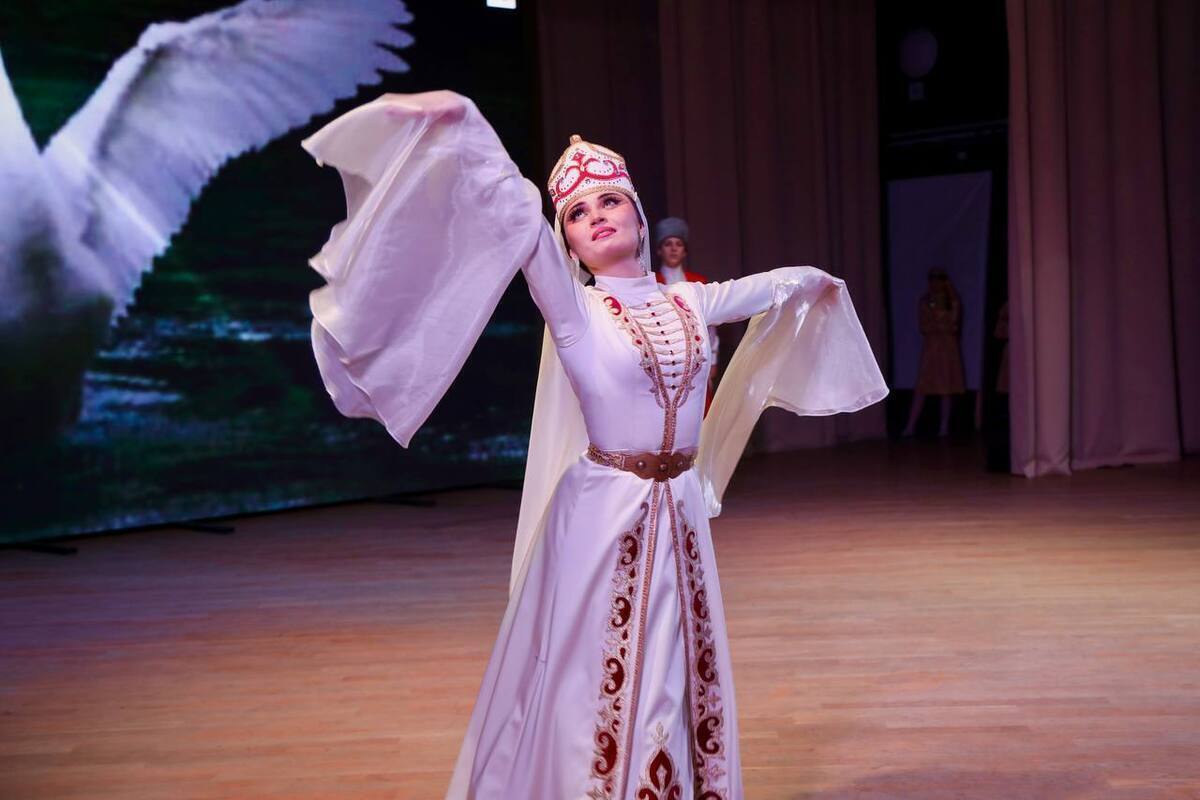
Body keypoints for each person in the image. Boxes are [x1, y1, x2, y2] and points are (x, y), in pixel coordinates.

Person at [301, 91, 888, 799]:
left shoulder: (690, 301)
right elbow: (515, 209)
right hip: (603, 513)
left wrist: (814, 280)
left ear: (638, 216)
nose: (597, 216)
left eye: (610, 202)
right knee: (594, 673)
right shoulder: (574, 309)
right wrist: (460, 116)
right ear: (571, 244)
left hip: (679, 511)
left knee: (674, 663)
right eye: (578, 214)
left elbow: (766, 288)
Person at [654, 217, 719, 413]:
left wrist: (713, 359)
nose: (673, 249)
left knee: (701, 412)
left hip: (695, 358)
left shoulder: (698, 282)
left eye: (678, 244)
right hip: (663, 360)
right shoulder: (651, 283)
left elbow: (709, 324)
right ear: (659, 250)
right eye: (668, 244)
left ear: (684, 251)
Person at [902, 267, 966, 438]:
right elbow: (924, 325)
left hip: (947, 348)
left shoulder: (952, 302)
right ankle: (910, 426)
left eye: (938, 280)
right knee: (922, 386)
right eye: (932, 280)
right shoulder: (925, 301)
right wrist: (938, 326)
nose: (935, 283)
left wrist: (942, 325)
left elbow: (954, 325)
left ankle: (944, 427)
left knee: (946, 386)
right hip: (931, 347)